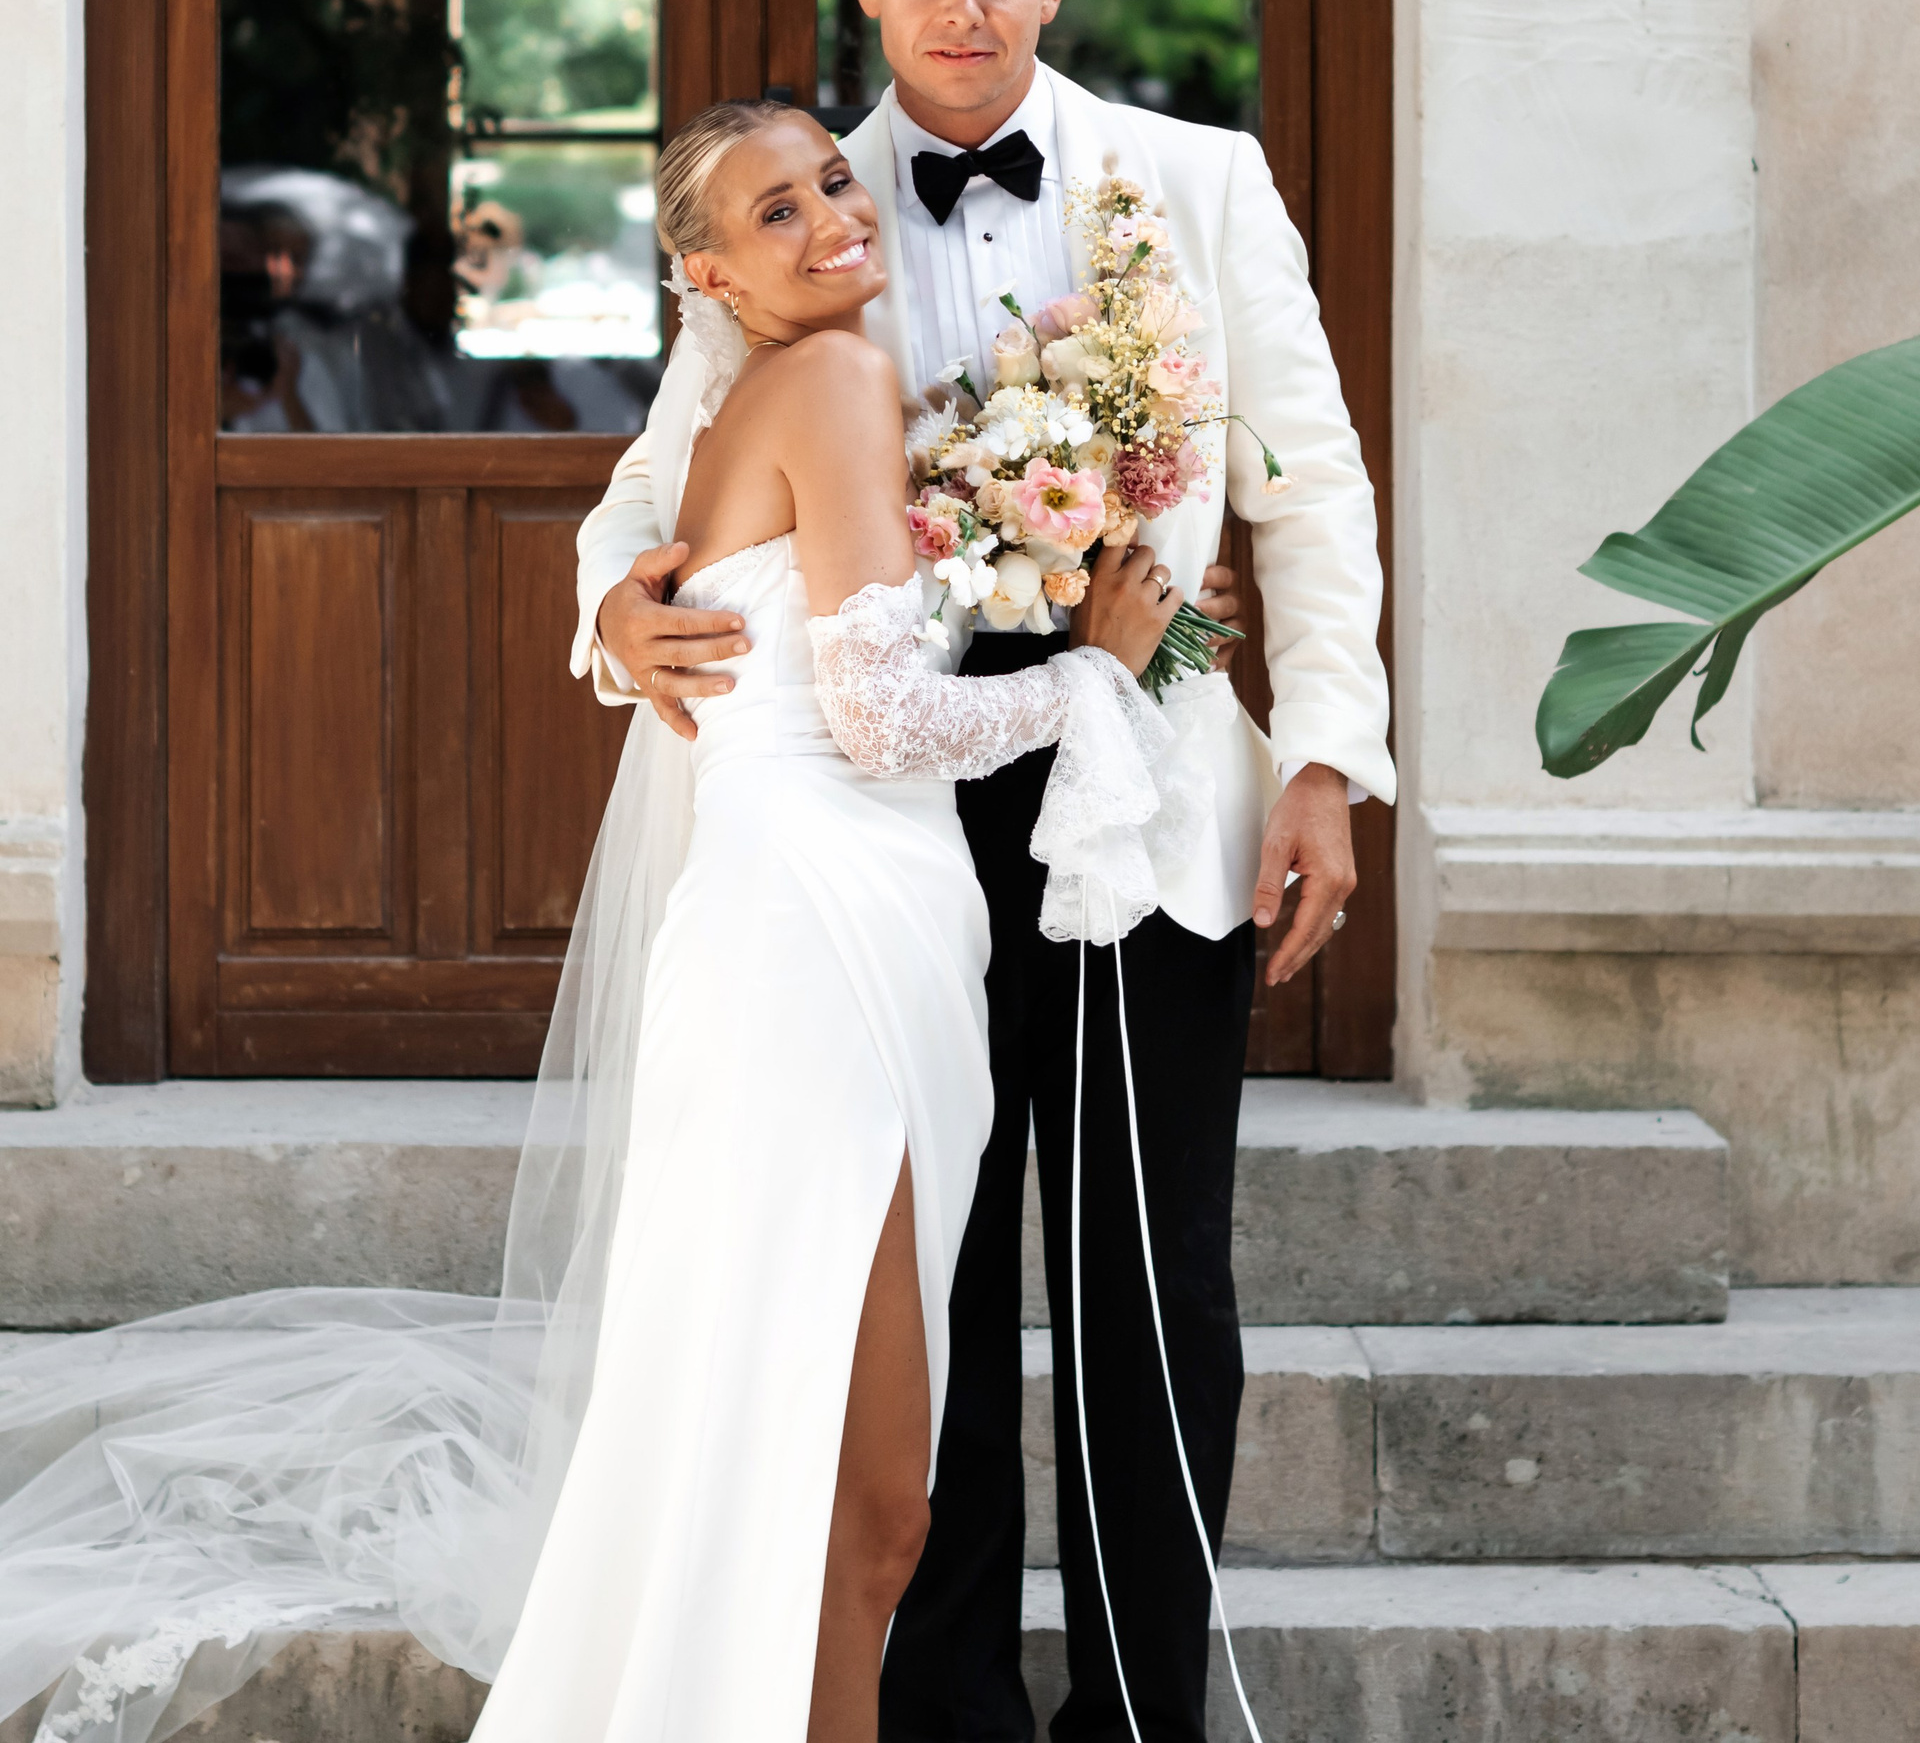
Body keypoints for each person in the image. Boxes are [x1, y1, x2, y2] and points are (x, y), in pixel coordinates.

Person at [0, 95, 1184, 1743]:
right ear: (709, 276)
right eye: (777, 212)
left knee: (839, 1505)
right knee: (842, 1502)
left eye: (829, 181)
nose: (833, 215)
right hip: (814, 937)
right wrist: (1094, 672)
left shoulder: (826, 375)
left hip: (856, 915)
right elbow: (879, 720)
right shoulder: (830, 379)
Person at [575, 0, 1397, 1743]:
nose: (963, 9)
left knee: (1148, 1292)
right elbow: (651, 488)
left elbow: (1307, 482)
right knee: (918, 1296)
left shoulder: (1197, 181)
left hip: (1142, 794)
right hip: (891, 820)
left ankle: (1142, 1718)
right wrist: (613, 608)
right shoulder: (794, 203)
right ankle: (941, 1716)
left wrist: (1327, 760)